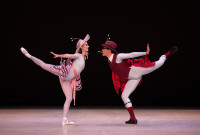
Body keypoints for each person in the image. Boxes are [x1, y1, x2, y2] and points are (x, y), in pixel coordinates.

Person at [100, 39, 178, 124]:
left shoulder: (118, 56)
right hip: (133, 78)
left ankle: (166, 55)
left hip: (139, 70)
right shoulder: (109, 61)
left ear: (109, 50)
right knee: (124, 96)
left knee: (160, 63)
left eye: (104, 48)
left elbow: (131, 54)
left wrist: (145, 53)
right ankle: (133, 119)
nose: (102, 50)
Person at [20, 34, 90, 125]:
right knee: (44, 65)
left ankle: (64, 120)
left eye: (87, 44)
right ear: (82, 47)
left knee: (69, 98)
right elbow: (70, 55)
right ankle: (28, 55)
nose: (88, 46)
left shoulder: (82, 56)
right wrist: (59, 55)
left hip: (66, 79)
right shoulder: (78, 55)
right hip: (63, 71)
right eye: (86, 45)